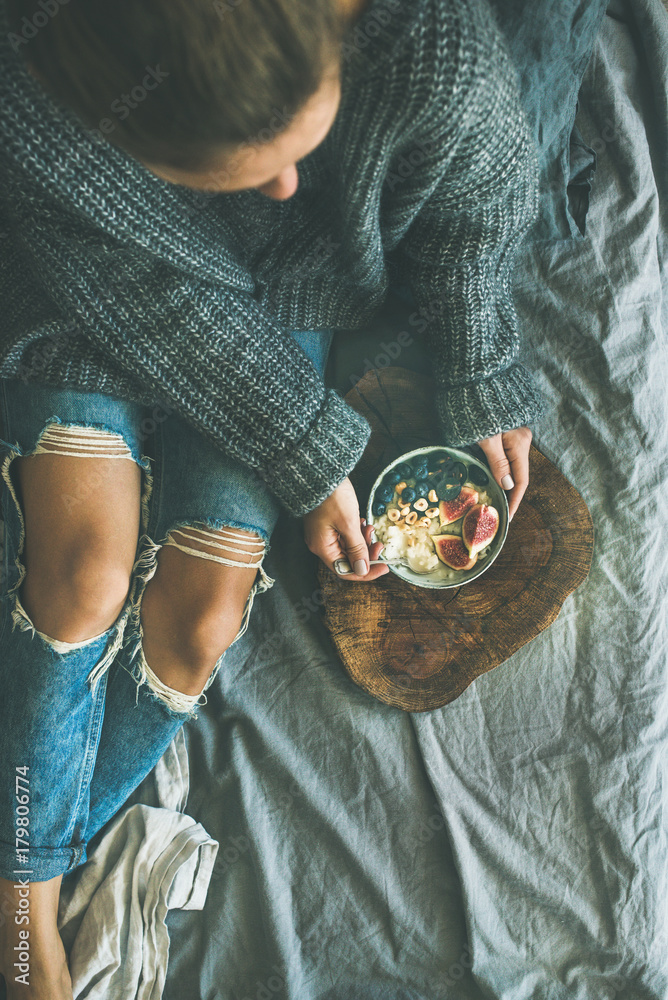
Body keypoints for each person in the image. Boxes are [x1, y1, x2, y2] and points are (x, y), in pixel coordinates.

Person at [0, 0, 545, 995]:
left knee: (202, 622)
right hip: (90, 277)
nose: (290, 186)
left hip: (289, 296)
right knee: (84, 579)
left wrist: (481, 357)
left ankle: (23, 856)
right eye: (248, 169)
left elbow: (476, 212)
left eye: (300, 148)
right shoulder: (45, 79)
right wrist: (295, 434)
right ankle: (21, 912)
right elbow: (129, 275)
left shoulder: (436, 57)